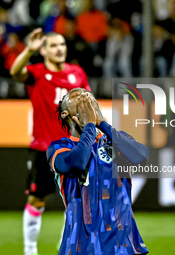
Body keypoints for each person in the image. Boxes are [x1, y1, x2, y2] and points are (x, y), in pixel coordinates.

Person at [10, 28, 91, 255]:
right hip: (44, 149)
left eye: (62, 45)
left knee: (78, 200)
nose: (59, 49)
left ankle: (68, 243)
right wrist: (28, 50)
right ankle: (30, 248)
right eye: (54, 45)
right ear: (43, 50)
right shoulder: (36, 73)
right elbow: (15, 72)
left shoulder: (77, 73)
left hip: (73, 148)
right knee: (37, 200)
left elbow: (87, 108)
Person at [46, 88, 149, 255]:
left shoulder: (115, 140)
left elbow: (141, 156)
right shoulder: (59, 148)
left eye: (89, 98)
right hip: (81, 246)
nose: (86, 98)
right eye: (78, 98)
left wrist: (101, 123)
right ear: (65, 114)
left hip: (124, 245)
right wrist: (89, 126)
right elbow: (77, 164)